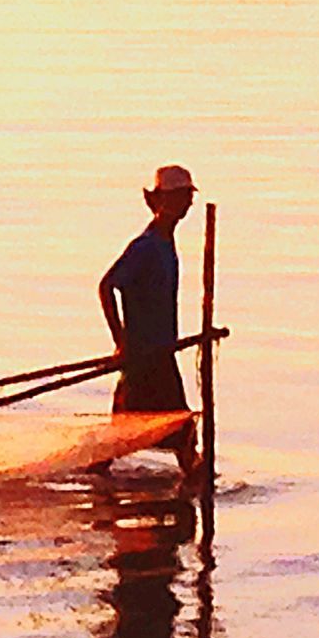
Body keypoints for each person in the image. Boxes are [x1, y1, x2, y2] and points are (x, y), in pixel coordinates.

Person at [98, 165, 200, 475]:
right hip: (145, 359)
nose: (187, 204)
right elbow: (107, 286)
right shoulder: (146, 247)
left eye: (187, 197)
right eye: (180, 196)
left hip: (160, 356)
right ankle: (196, 491)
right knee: (173, 436)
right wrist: (122, 342)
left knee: (120, 441)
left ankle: (100, 496)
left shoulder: (166, 244)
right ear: (161, 201)